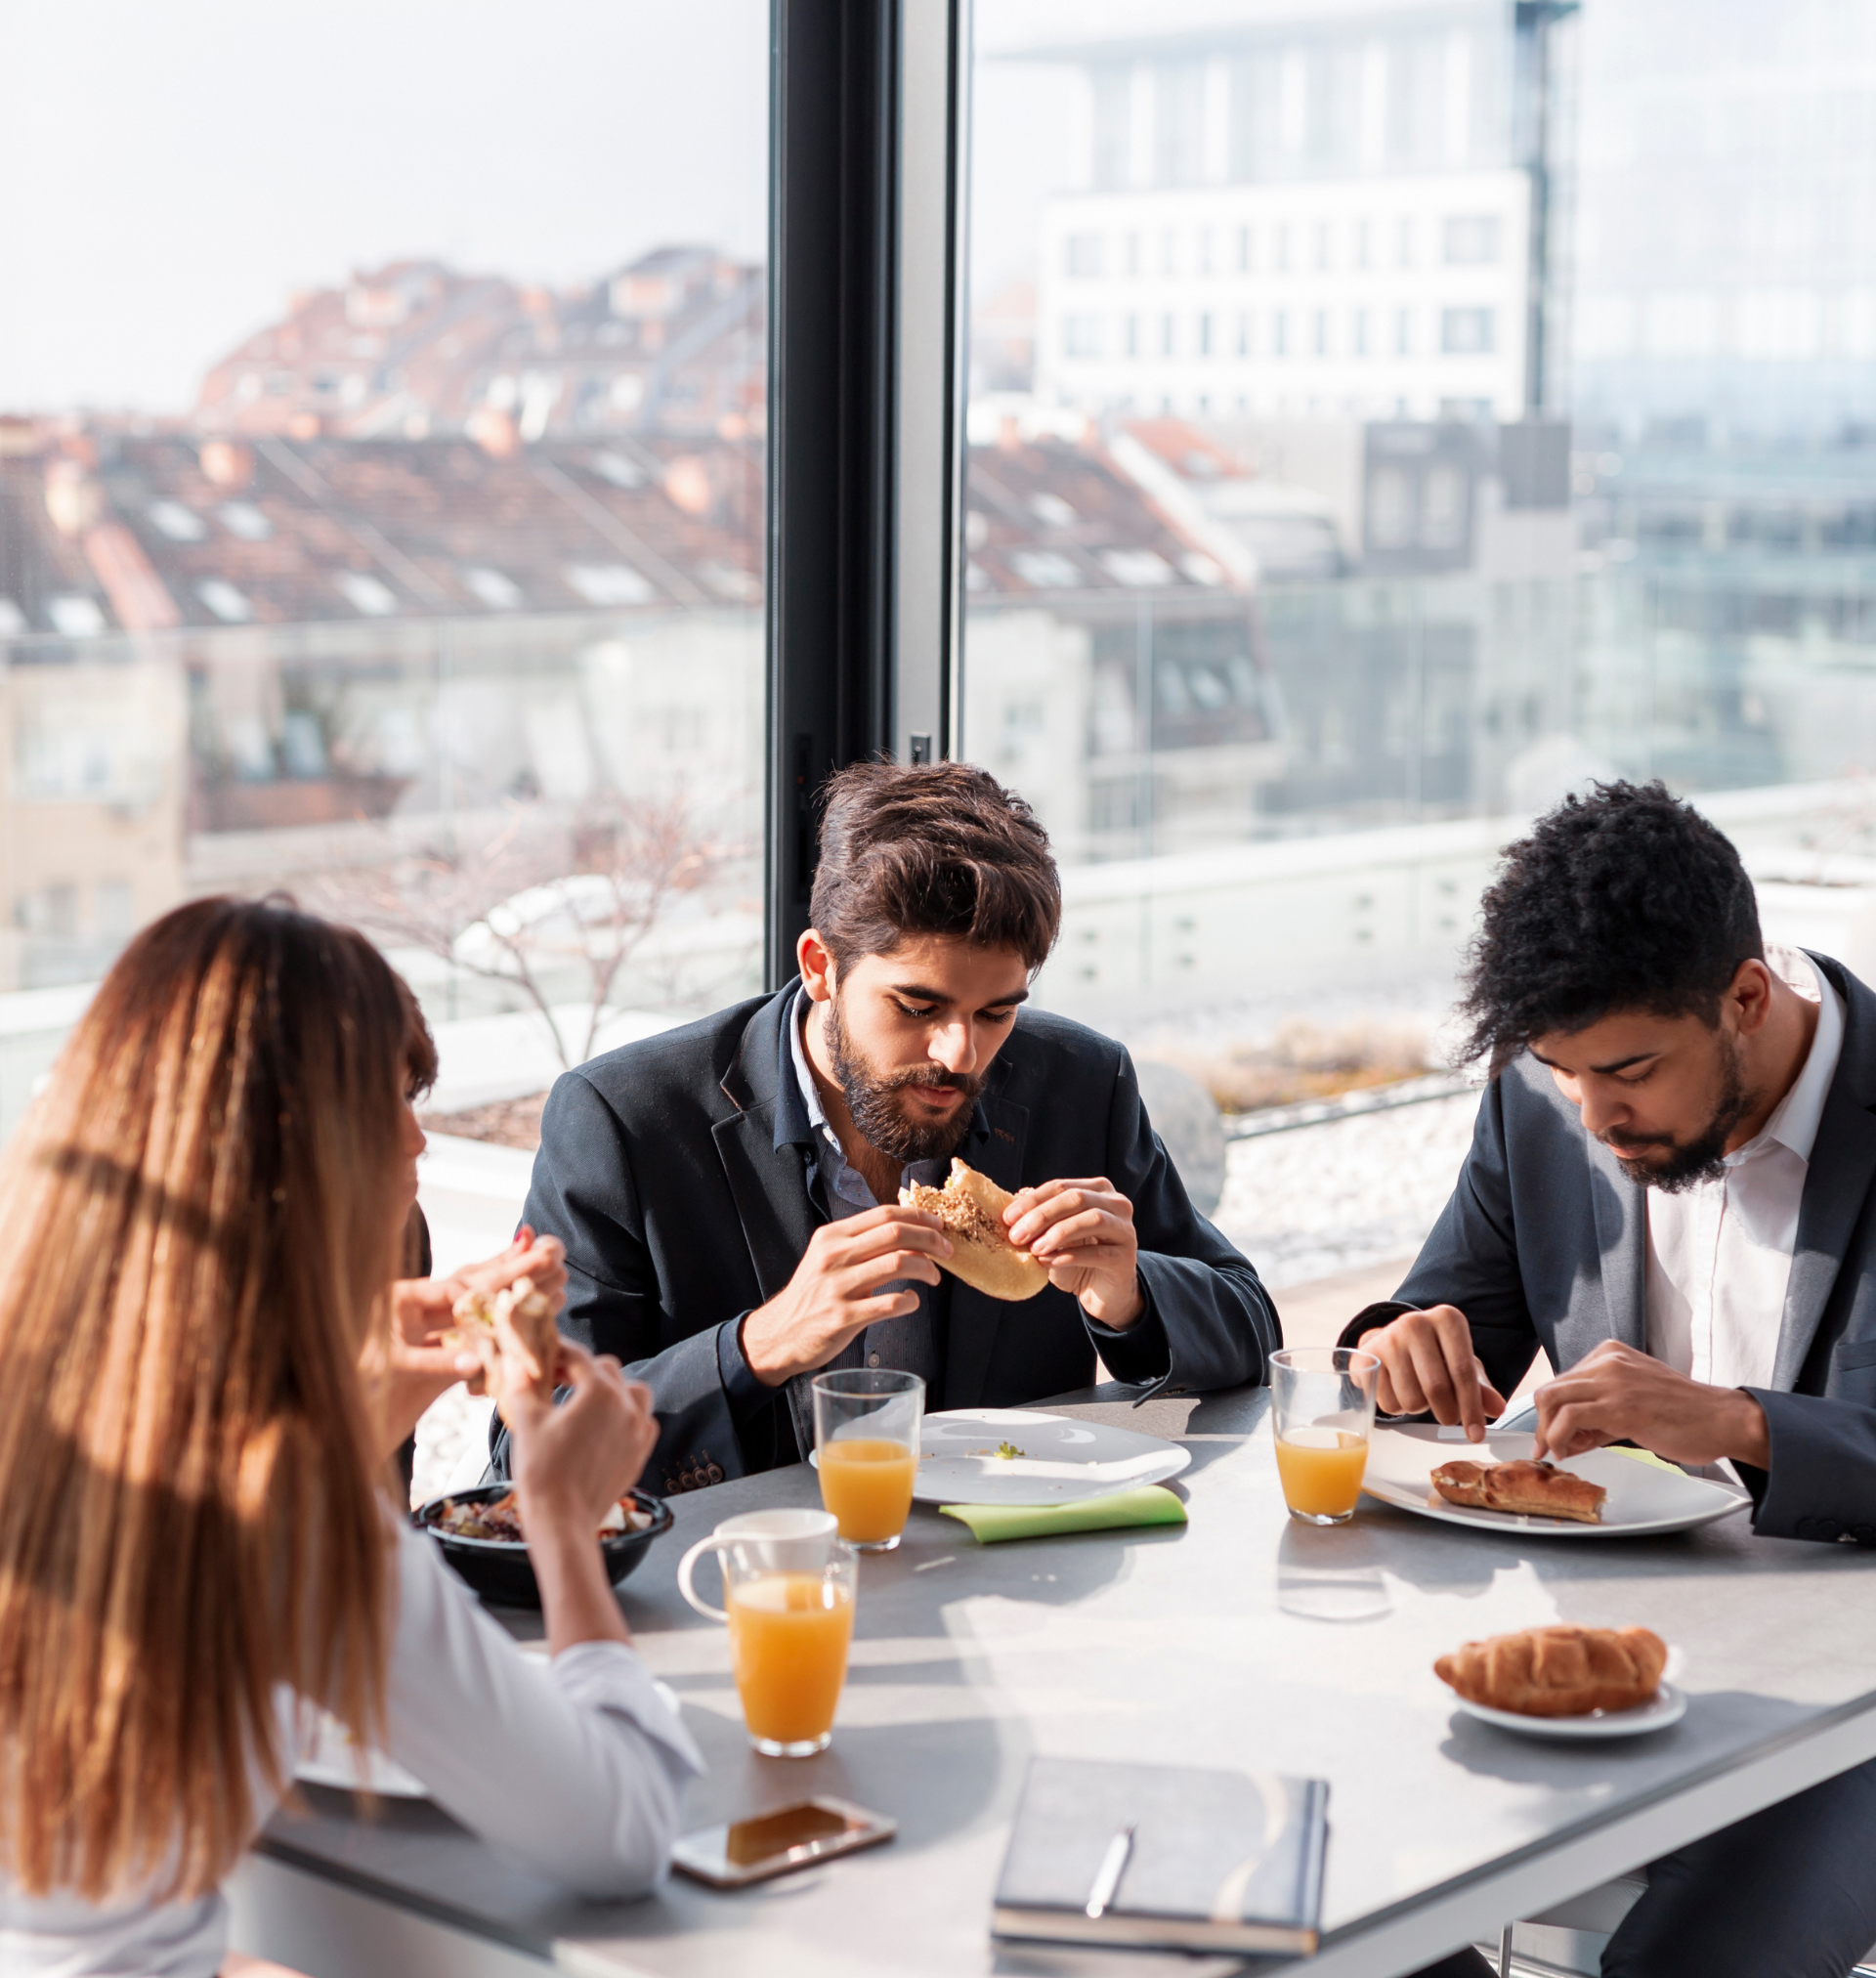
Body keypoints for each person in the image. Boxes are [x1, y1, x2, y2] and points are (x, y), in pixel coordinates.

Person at [0, 899, 702, 1977]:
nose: (422, 1137)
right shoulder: (293, 1515)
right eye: (391, 1104)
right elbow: (620, 1828)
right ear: (301, 1159)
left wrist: (350, 1386)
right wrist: (559, 1518)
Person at [1346, 784, 1876, 1978]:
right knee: (1338, 1907)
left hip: (1854, 1703)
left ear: (1746, 997)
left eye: (1628, 1069)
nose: (1592, 1114)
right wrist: (1396, 1346)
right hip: (1598, 1634)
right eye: (1561, 1070)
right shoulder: (1548, 1095)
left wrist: (1742, 1423)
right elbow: (1436, 1323)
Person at [499, 760, 1278, 1495]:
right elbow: (527, 1456)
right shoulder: (621, 1121)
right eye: (917, 1007)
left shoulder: (1082, 1083)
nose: (960, 1054)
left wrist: (1133, 1295)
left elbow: (1253, 1330)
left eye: (997, 1012)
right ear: (819, 967)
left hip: (1016, 1591)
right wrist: (759, 1347)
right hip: (748, 1587)